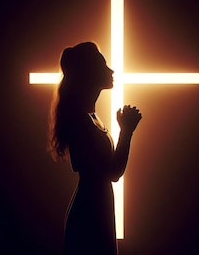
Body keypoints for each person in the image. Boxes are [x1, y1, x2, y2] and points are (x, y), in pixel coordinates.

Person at [47, 41, 142, 255]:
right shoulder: (81, 121)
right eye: (103, 65)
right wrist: (126, 131)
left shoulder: (91, 117)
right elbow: (113, 172)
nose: (111, 70)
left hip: (97, 208)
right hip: (90, 214)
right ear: (89, 74)